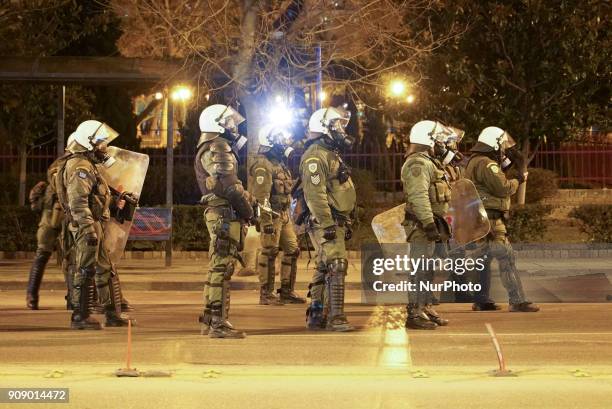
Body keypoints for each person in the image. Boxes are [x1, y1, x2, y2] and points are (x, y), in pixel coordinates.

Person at [55, 120, 134, 329]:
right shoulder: (80, 166)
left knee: (105, 268)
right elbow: (78, 202)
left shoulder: (89, 165)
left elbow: (95, 198)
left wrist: (116, 204)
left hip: (93, 224)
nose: (104, 147)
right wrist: (88, 228)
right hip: (86, 226)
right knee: (85, 268)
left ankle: (111, 314)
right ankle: (80, 317)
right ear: (88, 143)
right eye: (101, 143)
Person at [194, 104, 254, 338]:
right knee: (222, 266)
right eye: (228, 122)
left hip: (218, 213)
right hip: (223, 214)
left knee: (217, 266)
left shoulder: (210, 146)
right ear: (216, 124)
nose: (233, 126)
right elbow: (230, 188)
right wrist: (249, 211)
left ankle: (210, 319)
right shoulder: (218, 146)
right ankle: (218, 323)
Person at [464, 126, 539, 312]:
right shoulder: (486, 164)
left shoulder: (476, 161)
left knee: (483, 260)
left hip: (479, 218)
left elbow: (494, 176)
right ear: (494, 144)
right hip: (491, 220)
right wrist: (520, 179)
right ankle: (517, 300)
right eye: (501, 145)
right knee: (507, 257)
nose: (503, 149)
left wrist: (510, 164)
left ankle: (481, 300)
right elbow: (503, 188)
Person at [299, 106, 356, 332]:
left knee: (324, 265)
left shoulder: (330, 153)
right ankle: (337, 317)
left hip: (334, 220)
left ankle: (316, 313)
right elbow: (315, 195)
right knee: (336, 264)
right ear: (324, 128)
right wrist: (328, 224)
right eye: (337, 125)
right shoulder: (315, 156)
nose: (341, 130)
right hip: (325, 221)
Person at [402, 120, 461, 330]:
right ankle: (414, 313)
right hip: (421, 226)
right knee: (419, 269)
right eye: (439, 140)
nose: (442, 144)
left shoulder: (431, 162)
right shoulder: (417, 164)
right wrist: (428, 223)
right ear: (428, 140)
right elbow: (418, 197)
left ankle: (425, 306)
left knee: (428, 269)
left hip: (434, 223)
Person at [249, 125, 305, 305]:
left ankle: (286, 291)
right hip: (272, 216)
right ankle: (266, 294)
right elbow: (261, 196)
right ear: (269, 141)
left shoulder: (279, 163)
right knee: (269, 251)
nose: (284, 141)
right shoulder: (262, 165)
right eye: (280, 138)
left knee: (292, 250)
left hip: (283, 214)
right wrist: (265, 221)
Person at [25, 159, 64, 309]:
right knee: (41, 259)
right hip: (50, 225)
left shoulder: (52, 186)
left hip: (55, 226)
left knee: (71, 263)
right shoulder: (50, 188)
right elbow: (36, 208)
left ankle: (32, 297)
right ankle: (32, 296)